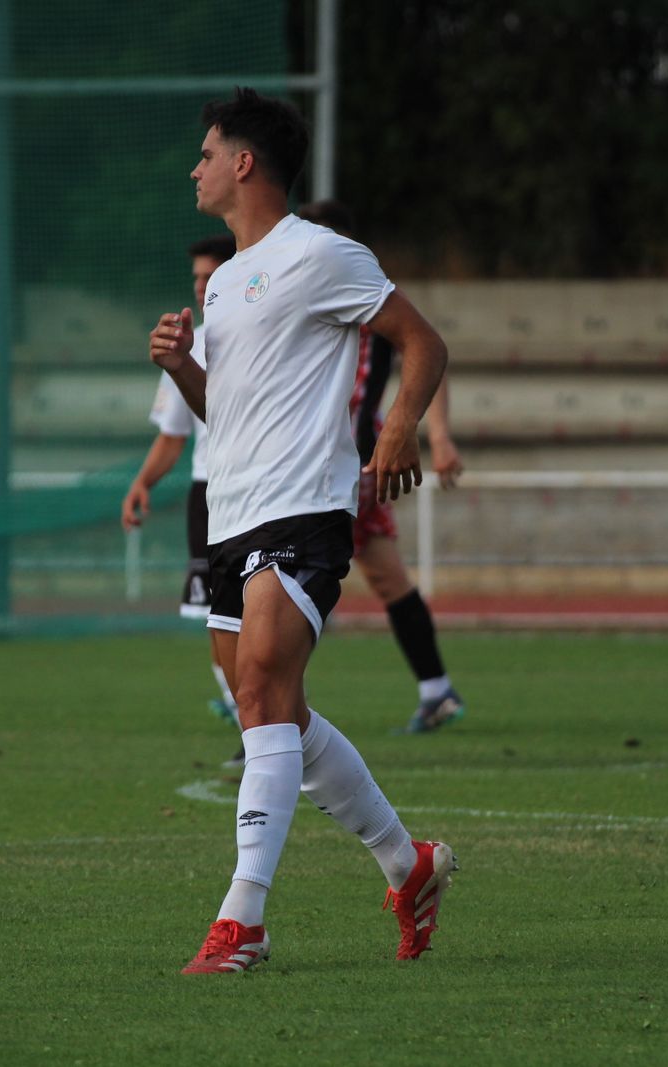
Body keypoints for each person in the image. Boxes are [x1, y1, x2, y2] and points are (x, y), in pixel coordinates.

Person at [149, 88, 457, 972]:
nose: (195, 166)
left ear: (244, 163)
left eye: (207, 152)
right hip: (233, 513)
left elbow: (423, 341)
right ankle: (409, 863)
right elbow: (228, 417)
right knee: (272, 710)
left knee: (258, 691)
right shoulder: (234, 281)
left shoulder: (319, 254)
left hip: (305, 510)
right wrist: (183, 367)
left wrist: (400, 428)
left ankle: (241, 920)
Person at [297, 199, 468, 734]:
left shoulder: (361, 299)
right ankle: (437, 690)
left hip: (346, 467)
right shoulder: (307, 302)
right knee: (386, 578)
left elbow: (428, 353)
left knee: (288, 579)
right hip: (331, 463)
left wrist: (436, 435)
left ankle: (268, 710)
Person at [121, 235, 242, 737]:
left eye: (210, 277)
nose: (200, 286)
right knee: (219, 619)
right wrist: (142, 483)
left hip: (265, 494)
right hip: (208, 495)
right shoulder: (189, 347)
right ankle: (251, 724)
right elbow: (174, 438)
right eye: (196, 278)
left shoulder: (267, 342)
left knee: (263, 623)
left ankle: (271, 723)